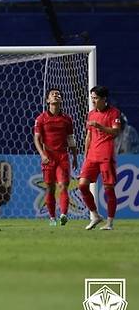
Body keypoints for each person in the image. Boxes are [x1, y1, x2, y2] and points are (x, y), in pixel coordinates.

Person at [33, 88, 78, 226]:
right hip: (49, 157)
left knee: (63, 186)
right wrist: (42, 154)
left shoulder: (67, 119)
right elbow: (37, 138)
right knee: (50, 188)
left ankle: (64, 214)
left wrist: (75, 156)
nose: (56, 96)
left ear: (61, 100)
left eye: (58, 94)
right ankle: (52, 218)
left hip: (63, 156)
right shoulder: (41, 119)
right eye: (53, 94)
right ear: (48, 100)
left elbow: (70, 138)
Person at [80, 86, 121, 230]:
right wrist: (85, 155)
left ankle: (109, 222)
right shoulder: (91, 114)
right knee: (82, 185)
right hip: (92, 156)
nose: (93, 101)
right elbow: (89, 136)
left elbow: (115, 132)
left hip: (106, 156)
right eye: (92, 98)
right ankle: (96, 216)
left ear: (104, 99)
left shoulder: (114, 112)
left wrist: (100, 126)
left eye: (96, 98)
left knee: (109, 189)